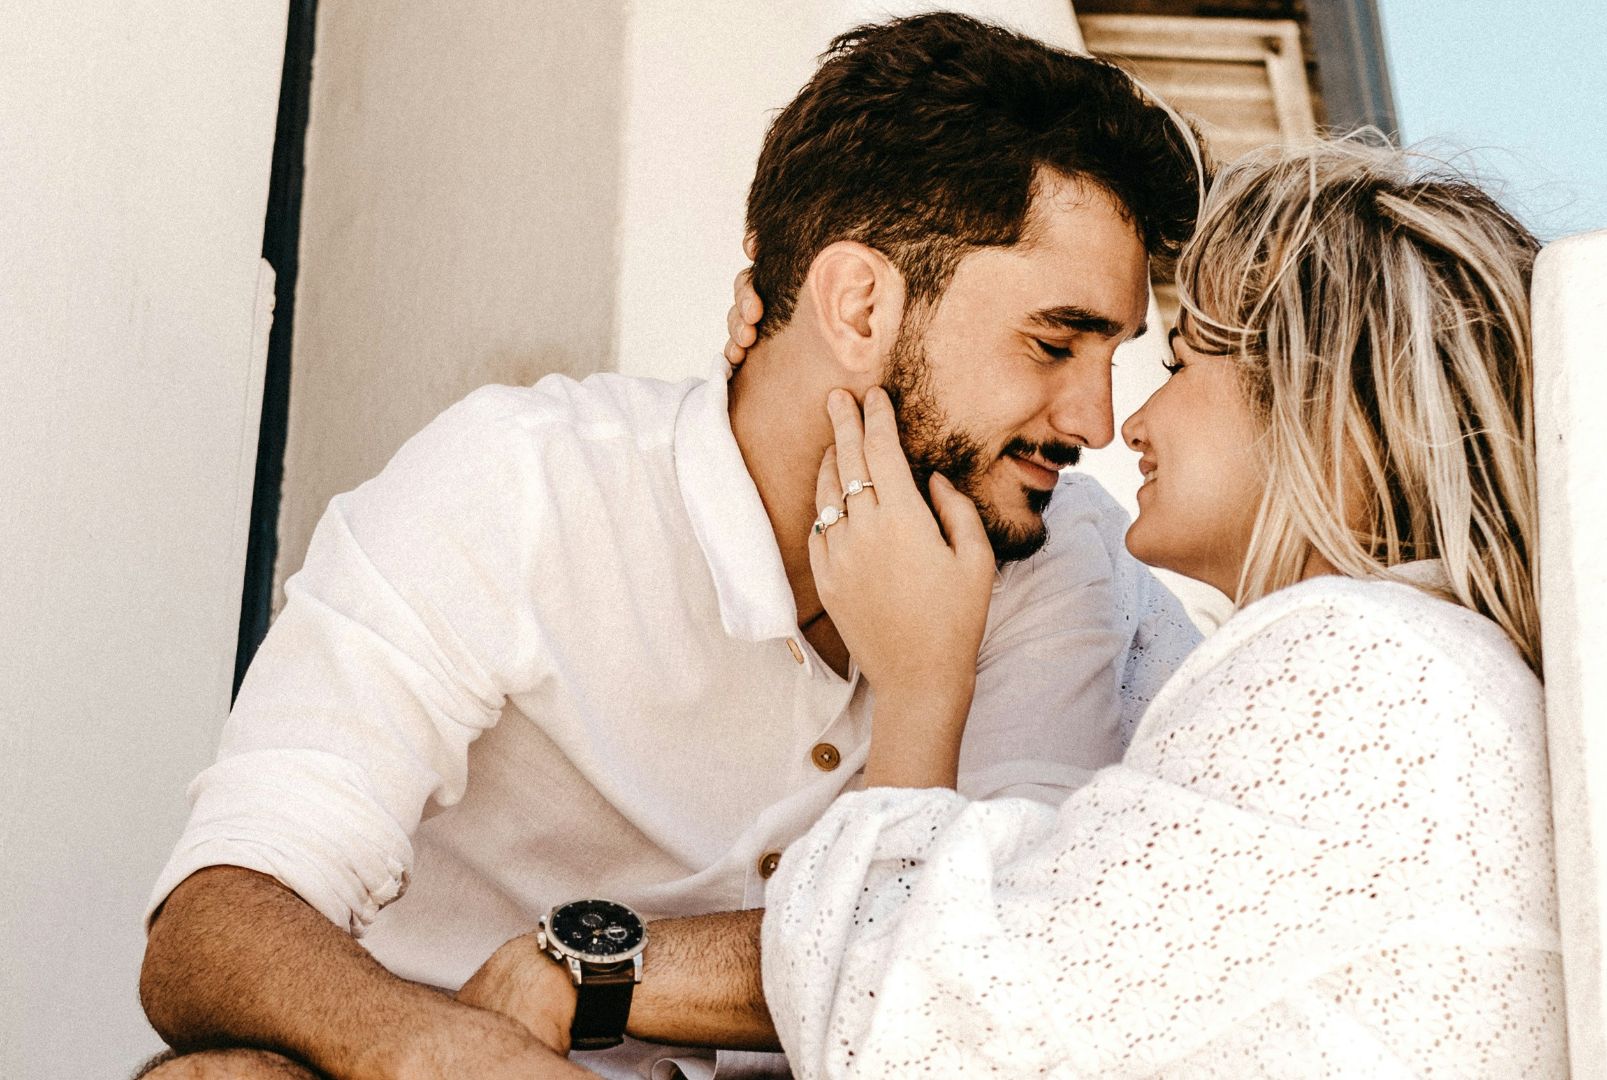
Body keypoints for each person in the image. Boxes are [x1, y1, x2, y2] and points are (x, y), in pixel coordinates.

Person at [136, 14, 1203, 1079]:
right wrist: (430, 1051)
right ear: (862, 304)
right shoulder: (525, 483)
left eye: (1111, 356)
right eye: (1056, 343)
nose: (1096, 422)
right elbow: (217, 914)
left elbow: (988, 964)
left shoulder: (1057, 560)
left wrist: (591, 969)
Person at [462, 135, 1568, 1077]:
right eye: (1058, 346)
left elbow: (925, 1035)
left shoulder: (1357, 666)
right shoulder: (1424, 682)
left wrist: (918, 686)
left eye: (1182, 363)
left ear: (1330, 405)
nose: (1121, 424)